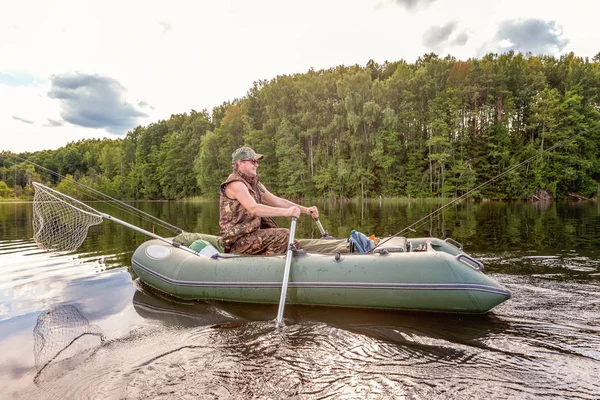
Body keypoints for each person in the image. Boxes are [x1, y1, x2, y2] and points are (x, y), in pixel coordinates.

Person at [219, 147, 319, 255]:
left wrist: (306, 210)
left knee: (293, 242)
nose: (257, 165)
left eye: (257, 162)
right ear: (240, 163)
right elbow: (253, 208)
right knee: (284, 235)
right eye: (253, 161)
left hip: (252, 235)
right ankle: (269, 265)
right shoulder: (236, 184)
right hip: (237, 241)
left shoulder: (254, 184)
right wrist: (286, 212)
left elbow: (277, 201)